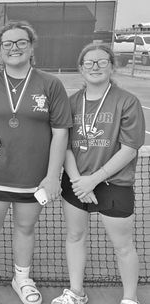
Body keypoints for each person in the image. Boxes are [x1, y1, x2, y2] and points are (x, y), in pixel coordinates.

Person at [0, 21, 72, 304]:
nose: (14, 48)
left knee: (25, 229)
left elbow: (61, 133)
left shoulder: (51, 84)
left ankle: (21, 279)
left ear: (31, 46)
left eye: (21, 42)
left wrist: (52, 176)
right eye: (7, 44)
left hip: (34, 178)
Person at [51, 44, 145, 304]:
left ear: (112, 66)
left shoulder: (126, 101)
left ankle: (129, 298)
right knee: (75, 236)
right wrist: (78, 180)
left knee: (123, 245)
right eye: (89, 62)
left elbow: (129, 150)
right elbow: (65, 145)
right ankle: (77, 292)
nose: (95, 67)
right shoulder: (71, 102)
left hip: (113, 183)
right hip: (76, 183)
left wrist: (94, 179)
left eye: (102, 62)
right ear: (81, 68)